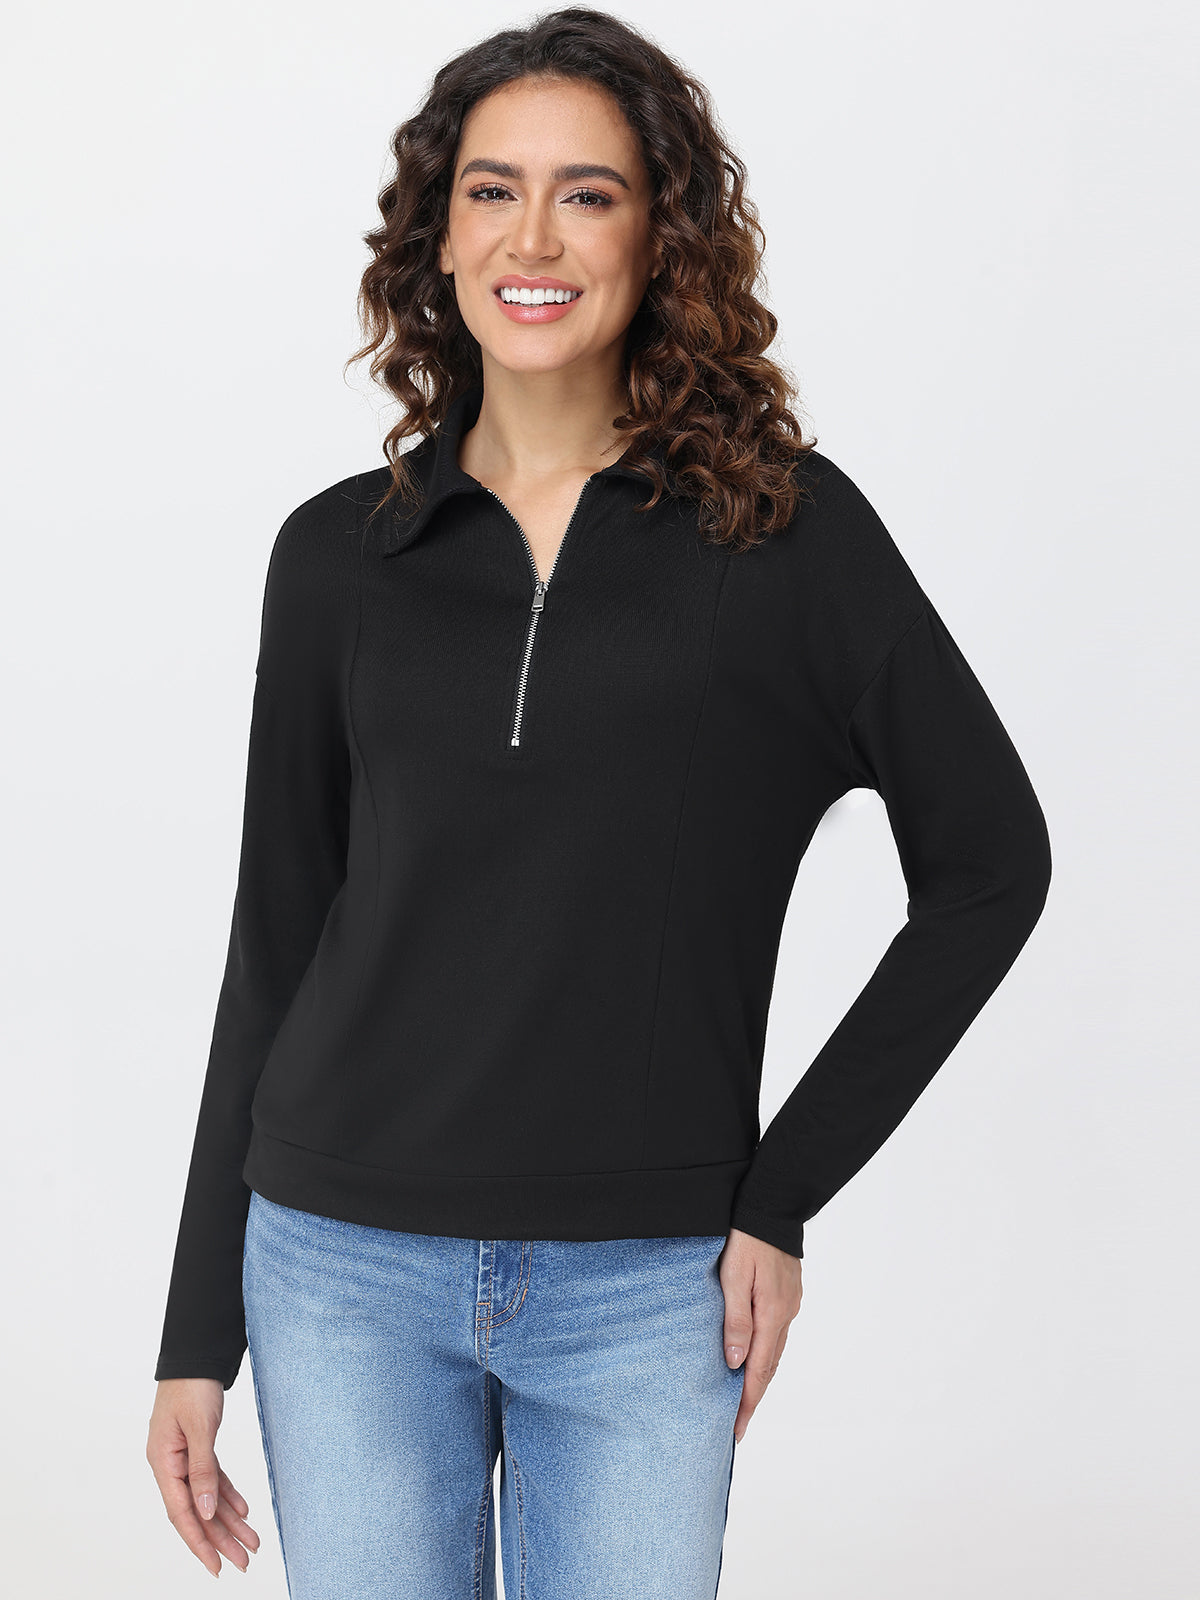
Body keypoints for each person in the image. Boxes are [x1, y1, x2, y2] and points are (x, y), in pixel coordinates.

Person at [145, 9, 1053, 1596]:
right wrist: (192, 1332)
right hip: (340, 1267)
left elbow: (991, 867)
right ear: (439, 236)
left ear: (661, 235)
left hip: (648, 1290)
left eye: (590, 193)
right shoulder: (338, 557)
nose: (534, 239)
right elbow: (276, 939)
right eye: (492, 191)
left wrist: (783, 1195)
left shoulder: (786, 538)